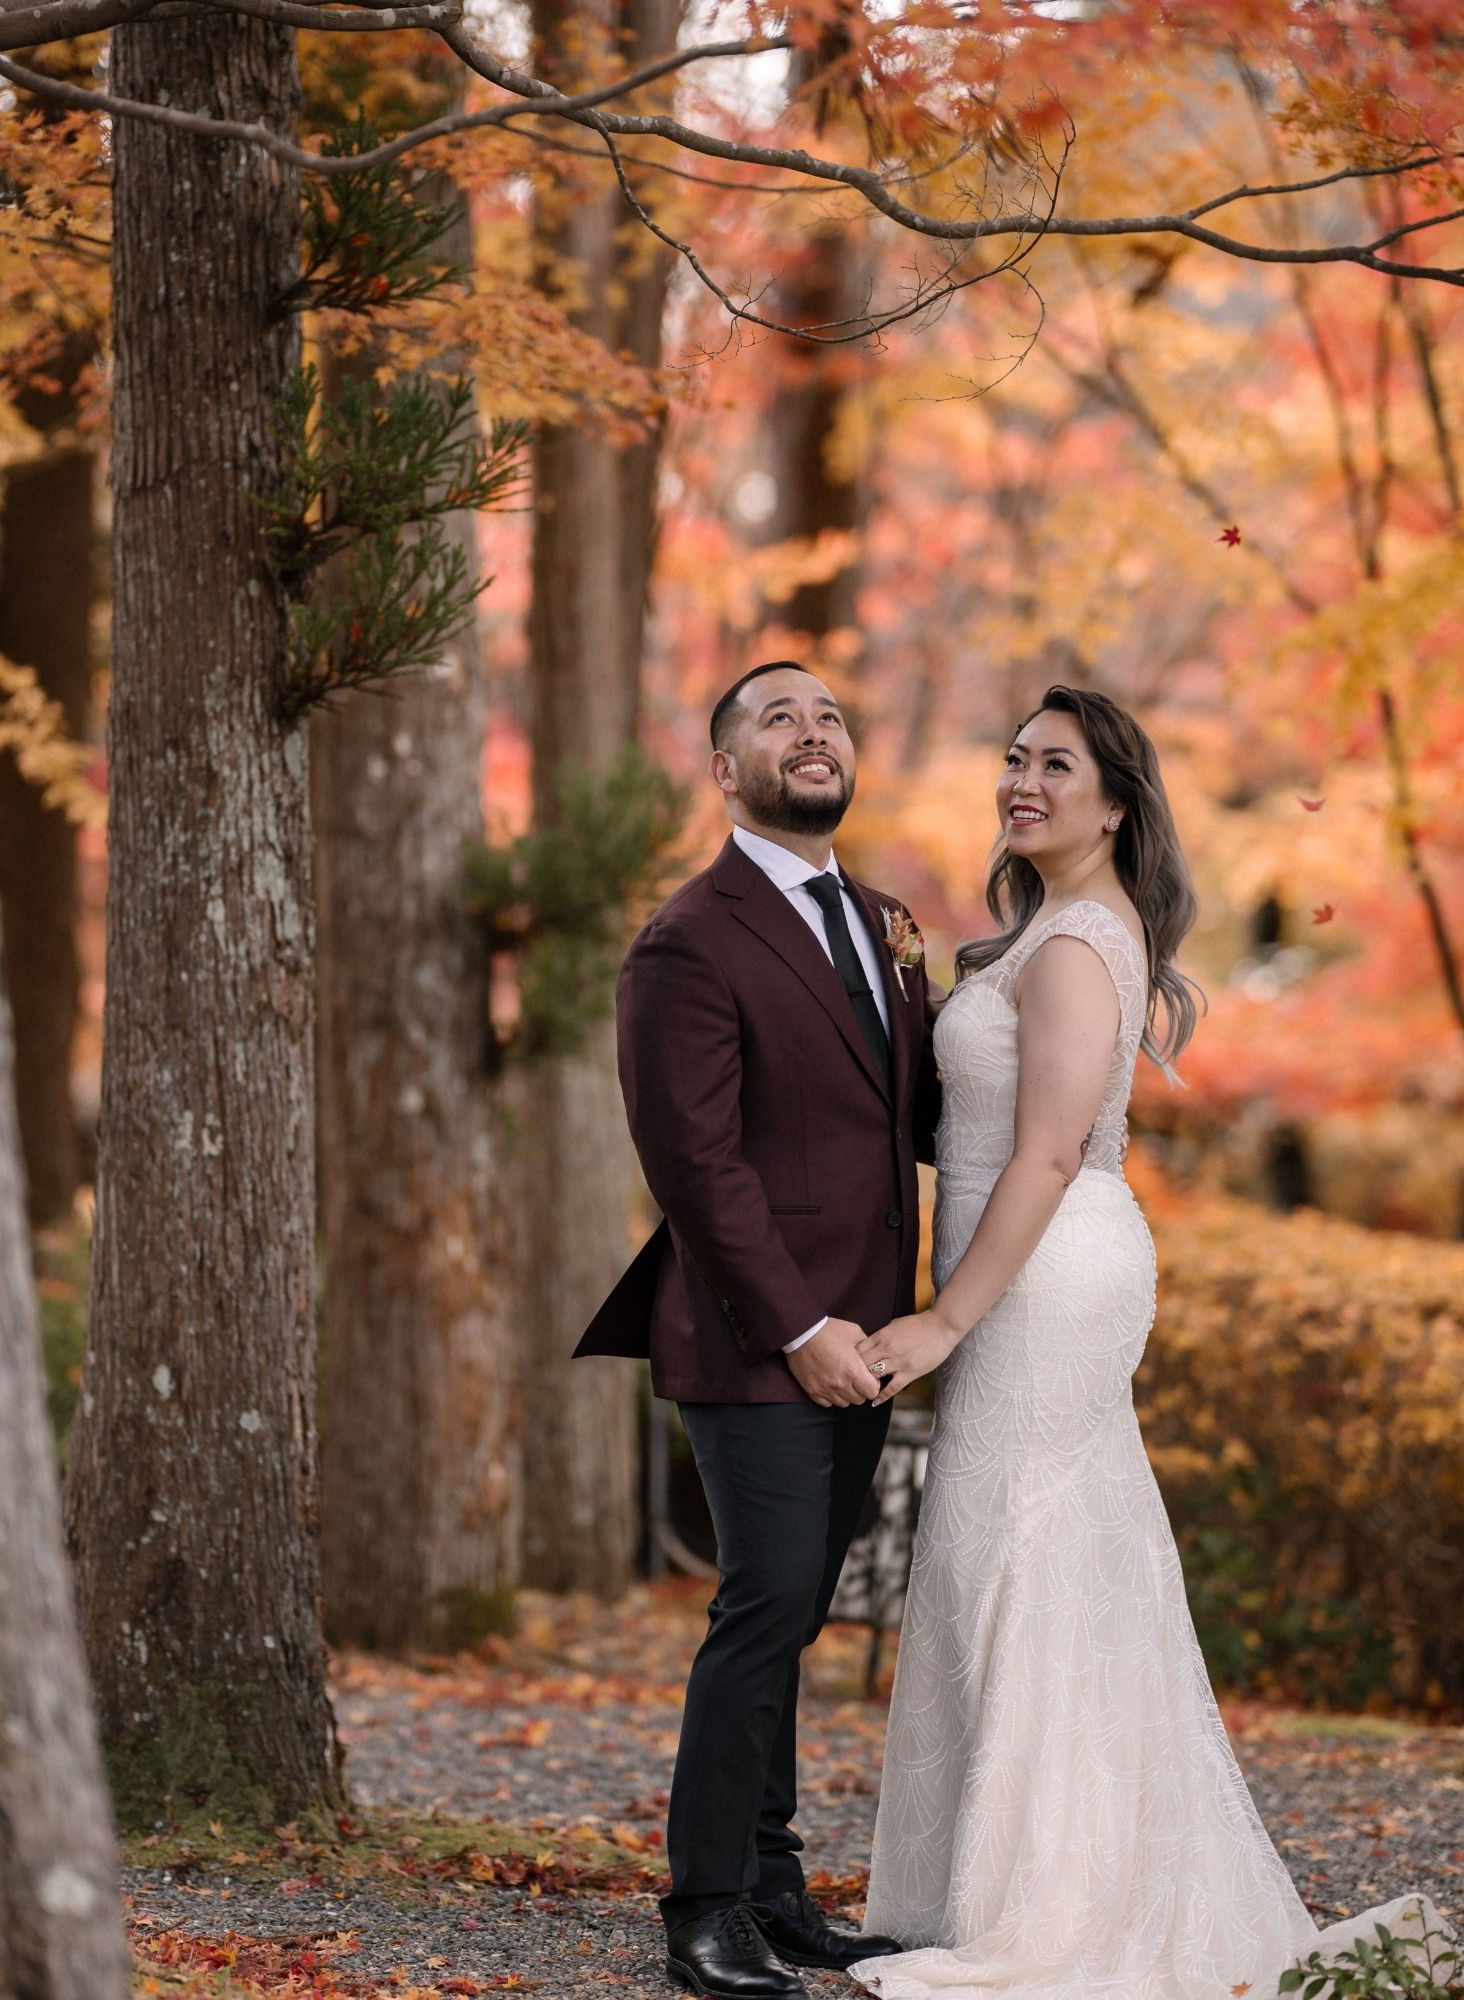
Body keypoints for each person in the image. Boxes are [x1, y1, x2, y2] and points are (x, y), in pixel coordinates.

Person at [847, 684, 1447, 2000]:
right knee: (1028, 1555)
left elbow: (1051, 1148)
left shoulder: (1071, 946)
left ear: (1116, 803)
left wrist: (945, 1316)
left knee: (1025, 1554)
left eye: (1056, 764)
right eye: (1014, 757)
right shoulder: (1047, 933)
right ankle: (1020, 1878)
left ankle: (1056, 1910)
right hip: (1038, 1256)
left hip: (1044, 1275)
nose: (1023, 779)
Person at [575, 660, 942, 2000]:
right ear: (725, 769)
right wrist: (801, 1328)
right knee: (767, 1604)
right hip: (755, 1339)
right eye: (778, 717)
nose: (813, 730)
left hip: (876, 1338)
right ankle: (707, 1903)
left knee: (797, 1616)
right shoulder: (688, 939)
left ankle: (778, 1884)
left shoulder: (890, 924)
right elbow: (695, 1164)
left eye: (833, 713)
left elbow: (918, 1122)